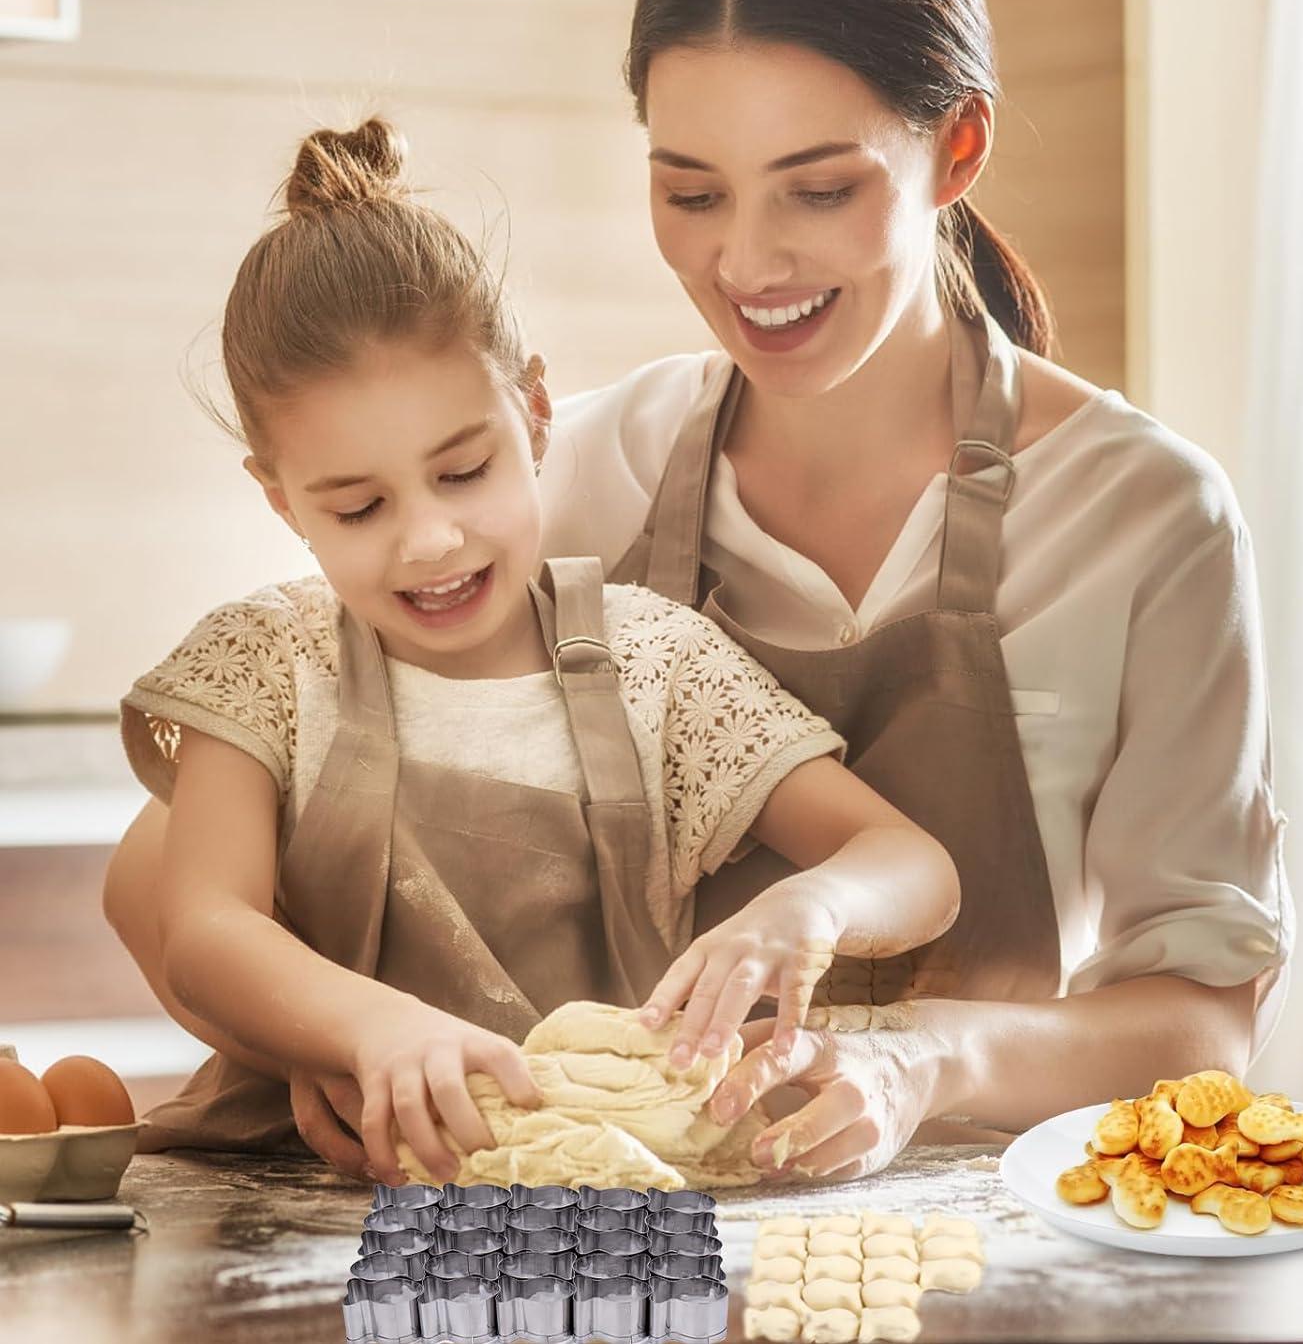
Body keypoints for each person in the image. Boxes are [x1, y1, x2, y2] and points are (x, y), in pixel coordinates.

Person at [107, 0, 1292, 1187]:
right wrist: (321, 1042)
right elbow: (178, 882)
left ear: (956, 145)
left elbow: (1203, 1026)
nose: (748, 264)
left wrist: (917, 1063)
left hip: (950, 1235)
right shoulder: (579, 475)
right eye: (693, 192)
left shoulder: (1142, 519)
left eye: (820, 189)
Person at [108, 116, 961, 1189]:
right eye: (360, 505)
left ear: (538, 414)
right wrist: (361, 1033)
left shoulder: (658, 663)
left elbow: (913, 864)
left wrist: (811, 907)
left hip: (611, 1189)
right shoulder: (268, 664)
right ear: (281, 500)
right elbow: (204, 928)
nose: (429, 539)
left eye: (464, 473)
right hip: (302, 1187)